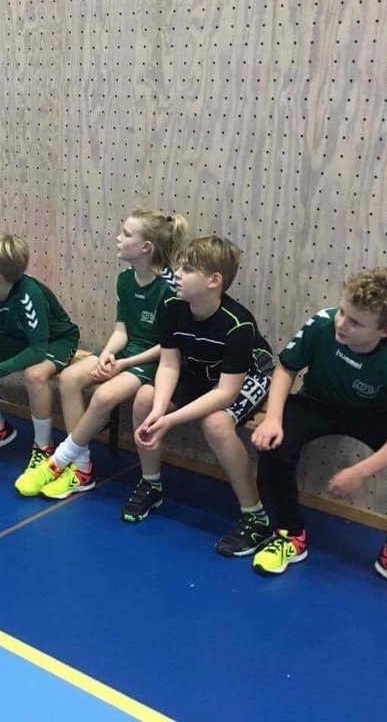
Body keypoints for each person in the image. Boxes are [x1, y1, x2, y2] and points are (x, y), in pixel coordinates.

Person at [250, 268, 387, 607]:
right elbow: (286, 367)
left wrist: (360, 471)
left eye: (356, 323)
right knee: (274, 444)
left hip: (372, 416)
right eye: (342, 312)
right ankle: (290, 536)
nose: (341, 324)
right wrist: (274, 418)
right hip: (317, 402)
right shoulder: (322, 324)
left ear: (386, 330)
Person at [15, 210, 189, 500]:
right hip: (126, 353)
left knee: (103, 396)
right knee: (69, 378)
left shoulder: (170, 288)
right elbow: (122, 330)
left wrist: (123, 364)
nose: (118, 238)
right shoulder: (125, 279)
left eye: (126, 234)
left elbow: (169, 347)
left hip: (152, 361)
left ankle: (60, 459)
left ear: (146, 247)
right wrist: (108, 354)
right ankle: (81, 467)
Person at [125, 236, 277, 559]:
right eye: (178, 267)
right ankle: (151, 484)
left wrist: (169, 420)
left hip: (248, 376)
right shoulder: (172, 306)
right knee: (145, 398)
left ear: (214, 280)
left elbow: (226, 392)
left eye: (187, 269)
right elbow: (169, 364)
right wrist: (159, 410)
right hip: (200, 371)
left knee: (216, 424)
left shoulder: (237, 324)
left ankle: (256, 517)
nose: (177, 274)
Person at [0, 232, 80, 479]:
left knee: (35, 375)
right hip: (19, 337)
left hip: (55, 341)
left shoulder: (29, 294)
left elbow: (37, 349)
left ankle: (43, 447)